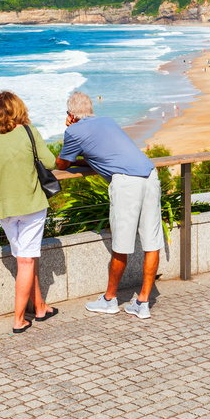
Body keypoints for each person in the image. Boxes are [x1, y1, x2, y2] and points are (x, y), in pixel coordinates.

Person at [57, 91, 161, 320]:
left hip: (126, 182)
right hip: (150, 174)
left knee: (121, 245)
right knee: (152, 242)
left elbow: (62, 164)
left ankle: (109, 300)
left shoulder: (73, 130)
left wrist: (69, 128)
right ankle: (143, 302)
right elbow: (104, 150)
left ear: (71, 115)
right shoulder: (108, 121)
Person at [0, 90, 58, 334]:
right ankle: (18, 320)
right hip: (31, 205)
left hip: (5, 207)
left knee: (26, 256)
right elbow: (50, 162)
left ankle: (39, 307)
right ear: (18, 109)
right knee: (27, 259)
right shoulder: (29, 131)